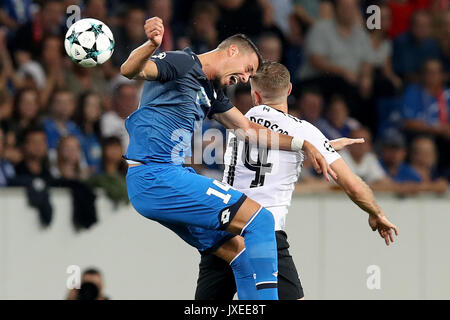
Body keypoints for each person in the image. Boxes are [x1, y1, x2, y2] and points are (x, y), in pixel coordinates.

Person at [120, 17, 338, 300]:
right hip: (157, 176)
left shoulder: (210, 91)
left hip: (163, 180)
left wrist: (302, 143)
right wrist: (150, 45)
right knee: (259, 220)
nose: (246, 79)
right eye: (248, 69)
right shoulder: (183, 63)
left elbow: (247, 129)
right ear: (232, 51)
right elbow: (130, 69)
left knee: (239, 251)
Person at [195, 61, 399, 300]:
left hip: (224, 229)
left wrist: (326, 147)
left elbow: (267, 146)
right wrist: (375, 212)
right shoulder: (304, 131)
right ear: (289, 90)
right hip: (264, 232)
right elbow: (353, 186)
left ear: (255, 94)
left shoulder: (241, 122)